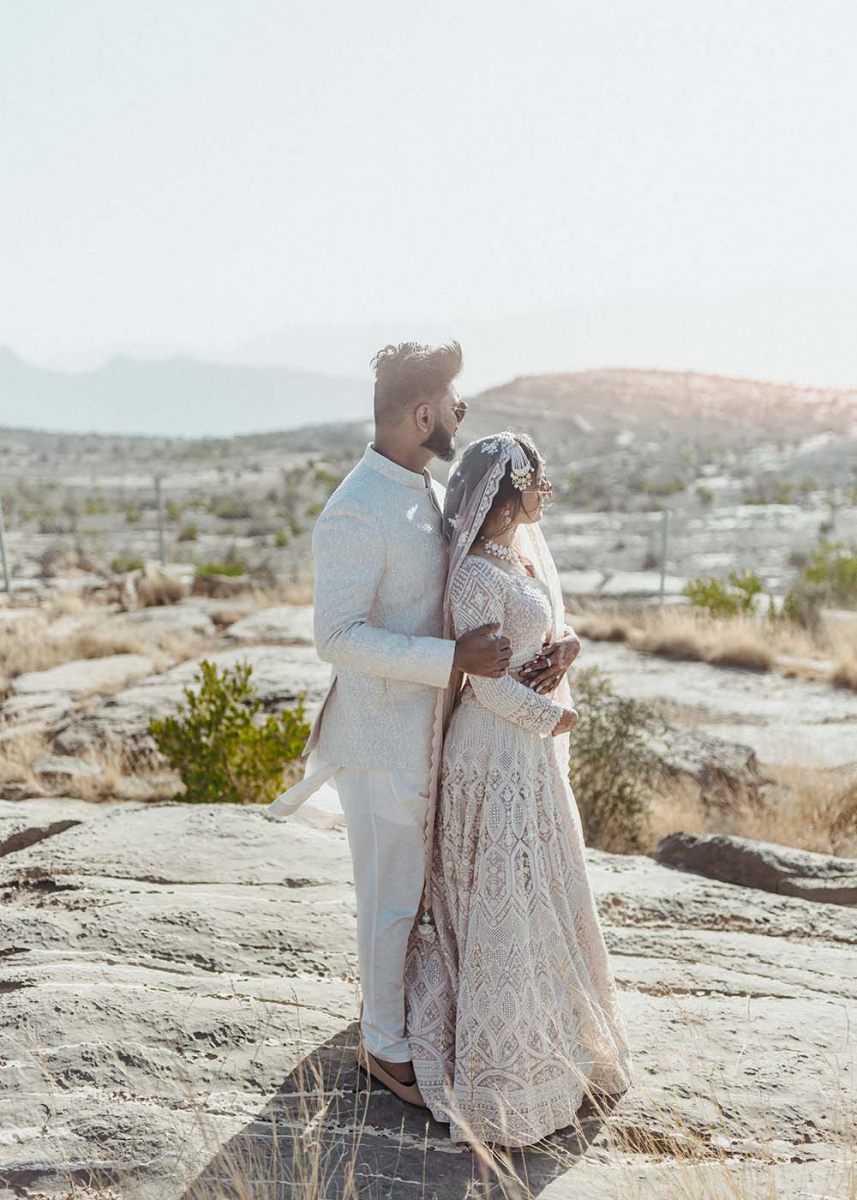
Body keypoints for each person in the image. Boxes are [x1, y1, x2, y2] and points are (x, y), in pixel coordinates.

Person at [267, 343, 547, 1107]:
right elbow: (337, 637)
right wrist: (450, 659)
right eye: (454, 402)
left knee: (418, 895)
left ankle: (386, 1014)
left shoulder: (427, 491)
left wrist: (533, 653)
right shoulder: (354, 509)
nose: (462, 412)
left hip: (434, 736)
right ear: (423, 414)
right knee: (390, 897)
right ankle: (385, 1050)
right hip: (380, 739)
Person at [403, 431, 633, 1147]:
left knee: (538, 893)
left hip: (524, 758)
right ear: (507, 491)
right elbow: (487, 683)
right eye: (537, 480)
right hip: (493, 753)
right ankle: (504, 1075)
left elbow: (542, 630)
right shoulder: (475, 573)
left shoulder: (516, 559)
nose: (546, 491)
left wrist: (569, 646)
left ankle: (556, 1047)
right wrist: (555, 717)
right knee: (505, 895)